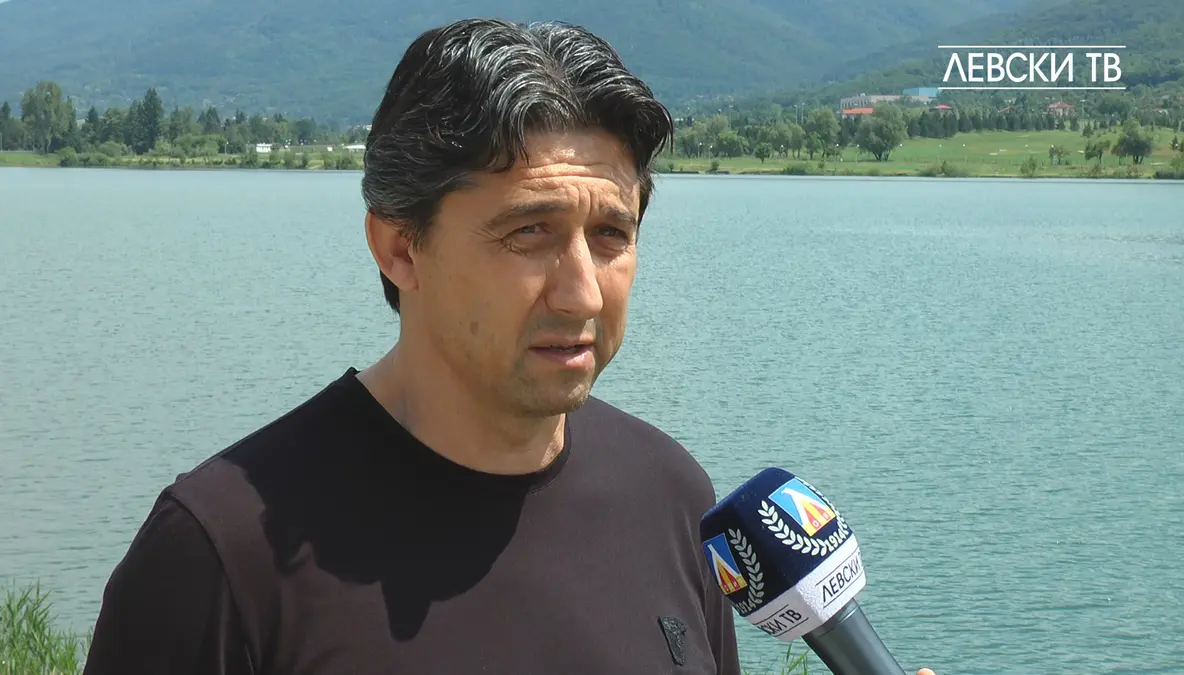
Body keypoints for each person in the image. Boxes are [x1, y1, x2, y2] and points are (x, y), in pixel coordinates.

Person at [81, 17, 738, 675]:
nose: (583, 294)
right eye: (530, 232)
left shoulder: (673, 499)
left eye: (610, 236)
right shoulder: (218, 560)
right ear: (400, 248)